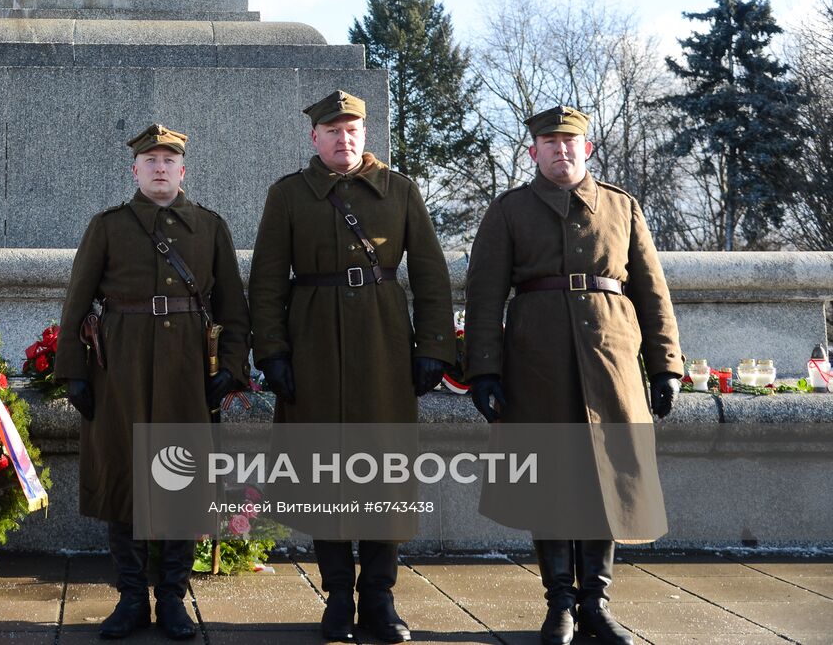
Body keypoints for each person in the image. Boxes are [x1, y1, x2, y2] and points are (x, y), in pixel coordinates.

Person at [464, 105, 683, 645]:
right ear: (533, 150)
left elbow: (652, 293)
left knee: (606, 479)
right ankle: (559, 603)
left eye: (571, 142)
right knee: (549, 480)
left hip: (610, 359)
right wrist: (484, 370)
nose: (561, 150)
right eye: (549, 142)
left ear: (588, 149)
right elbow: (485, 295)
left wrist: (665, 365)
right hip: (537, 364)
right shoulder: (509, 211)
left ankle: (596, 604)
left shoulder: (621, 206)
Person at [249, 90, 455, 643]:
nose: (345, 139)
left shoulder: (401, 191)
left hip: (384, 345)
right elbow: (266, 281)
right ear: (314, 137)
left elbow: (432, 275)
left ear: (366, 134)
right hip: (312, 345)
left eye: (354, 130)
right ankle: (338, 595)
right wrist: (271, 351)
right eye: (333, 130)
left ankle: (380, 597)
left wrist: (434, 346)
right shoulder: (288, 195)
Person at [55, 123, 250, 641]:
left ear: (182, 170)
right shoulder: (108, 226)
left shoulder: (209, 227)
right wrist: (74, 370)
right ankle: (132, 597)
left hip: (188, 367)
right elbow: (77, 302)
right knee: (126, 477)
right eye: (151, 160)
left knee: (182, 480)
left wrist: (230, 367)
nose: (160, 167)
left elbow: (233, 305)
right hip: (119, 366)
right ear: (135, 170)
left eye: (169, 160)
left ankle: (173, 598)